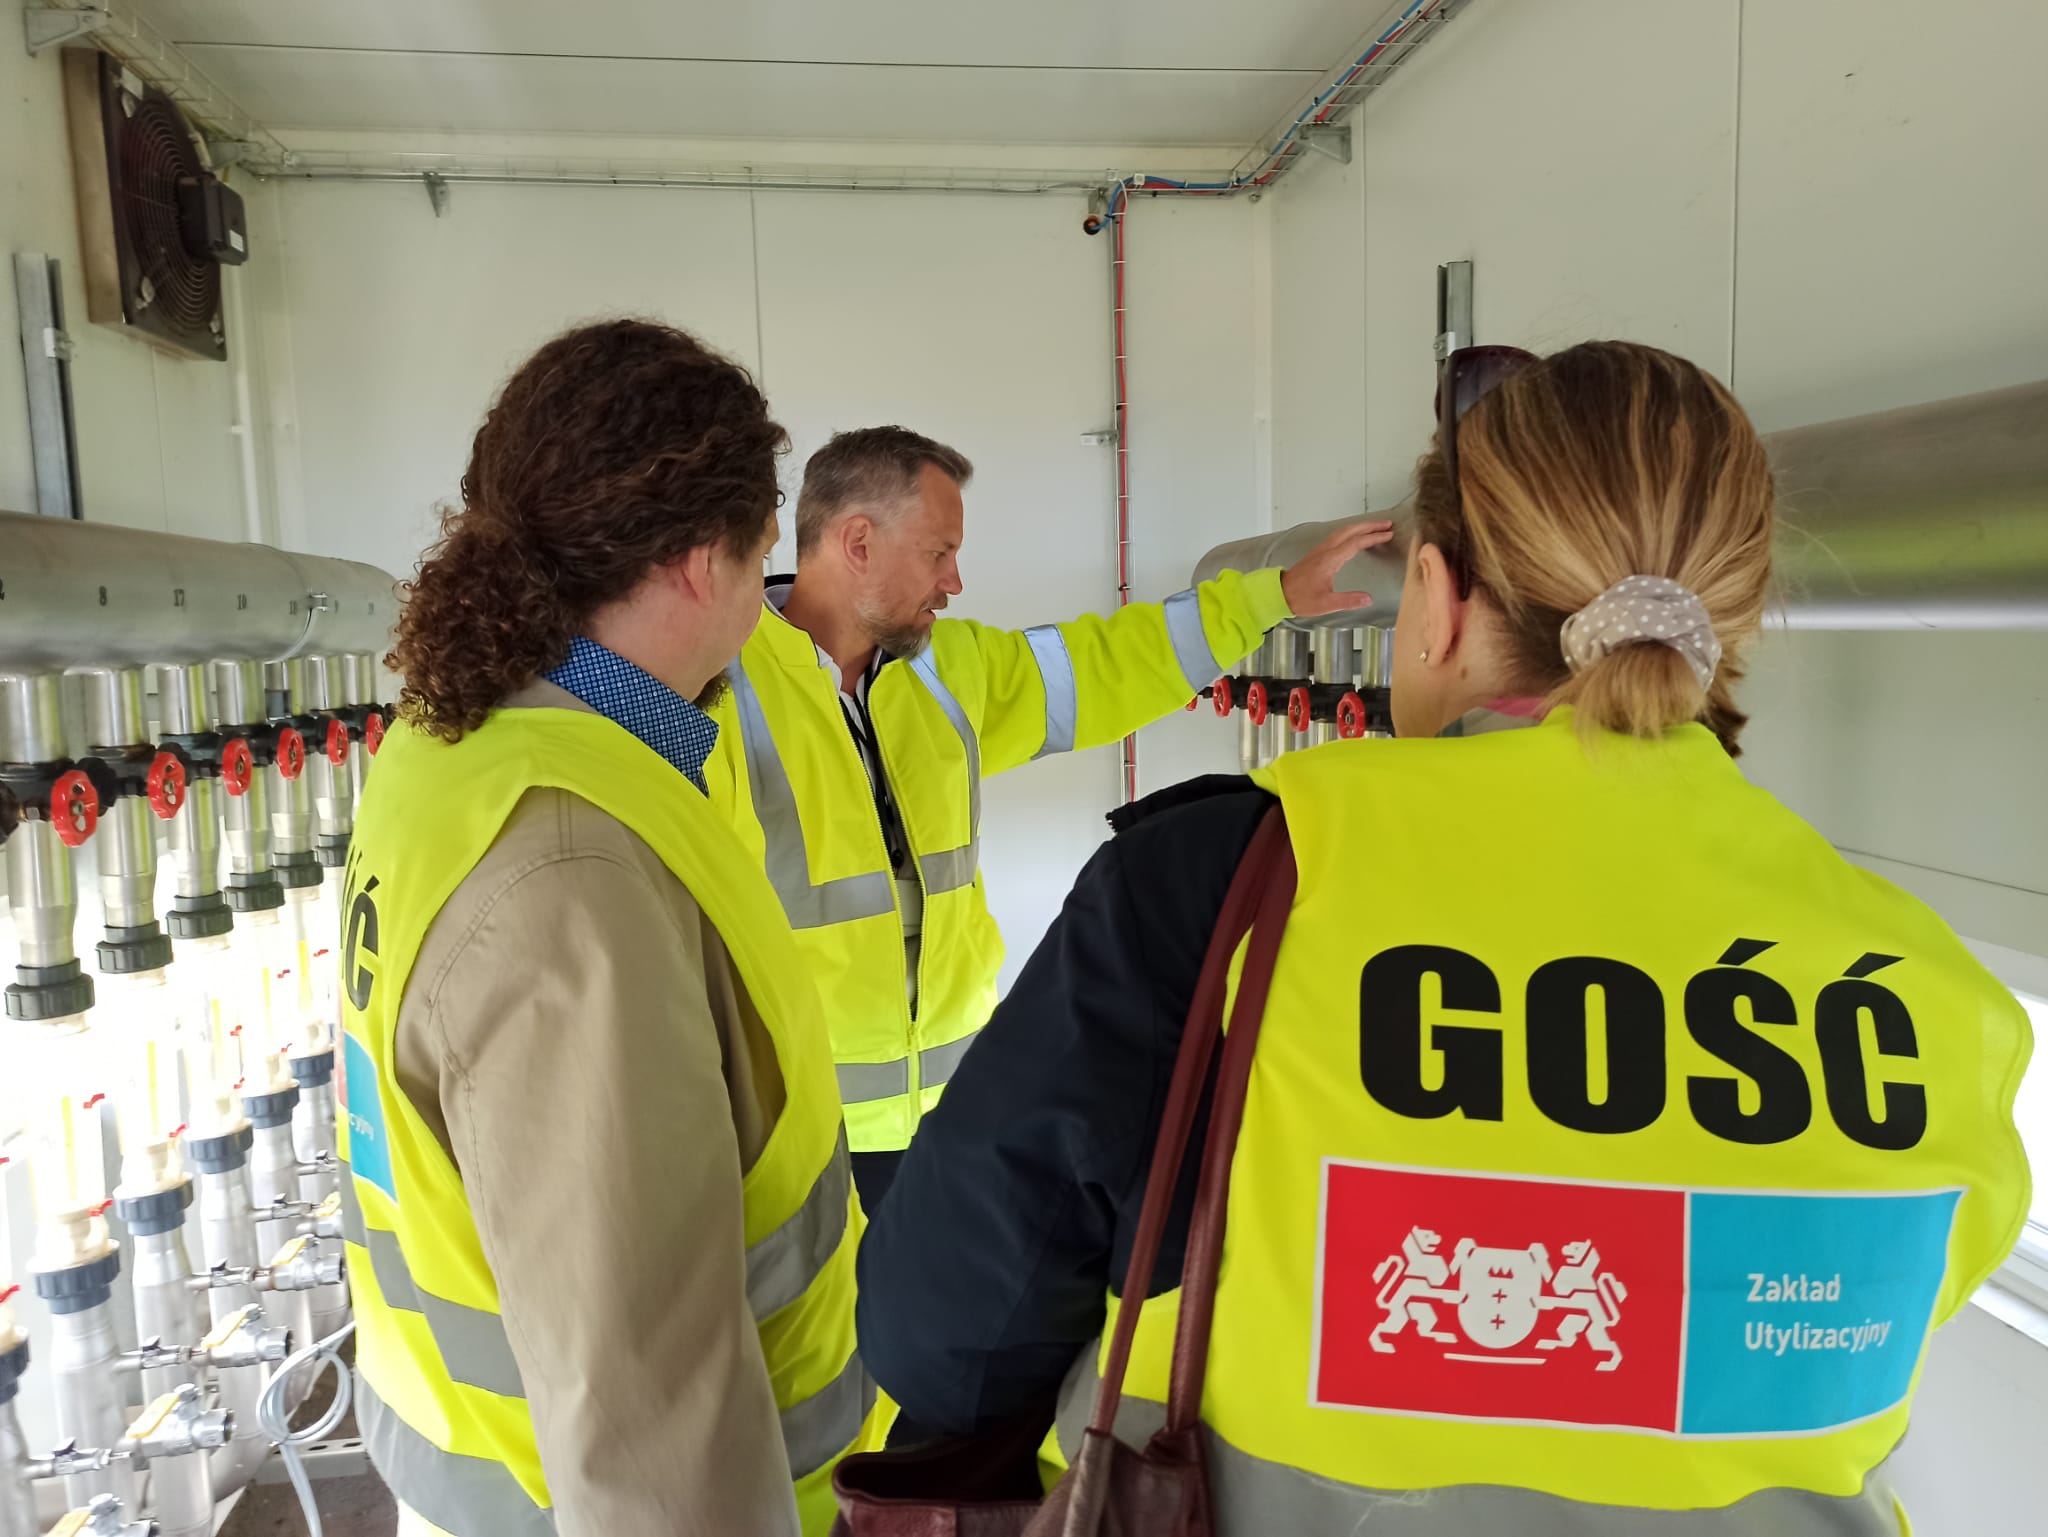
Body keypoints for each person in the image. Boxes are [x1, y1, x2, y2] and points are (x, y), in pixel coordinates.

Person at [854, 341, 2034, 1531]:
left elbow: (940, 1335)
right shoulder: (1930, 991)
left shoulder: (1229, 888)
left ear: (1434, 595)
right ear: (1729, 619)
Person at [337, 320, 876, 1537]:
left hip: (487, 1473)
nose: (767, 598)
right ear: (699, 562)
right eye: (759, 558)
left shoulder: (453, 744)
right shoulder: (568, 868)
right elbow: (641, 1404)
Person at [704, 425, 1392, 1205]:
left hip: (951, 1115)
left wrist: (1270, 600)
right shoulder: (718, 691)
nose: (954, 580)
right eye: (938, 552)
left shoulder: (946, 674)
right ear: (857, 541)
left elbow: (1105, 666)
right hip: (798, 1134)